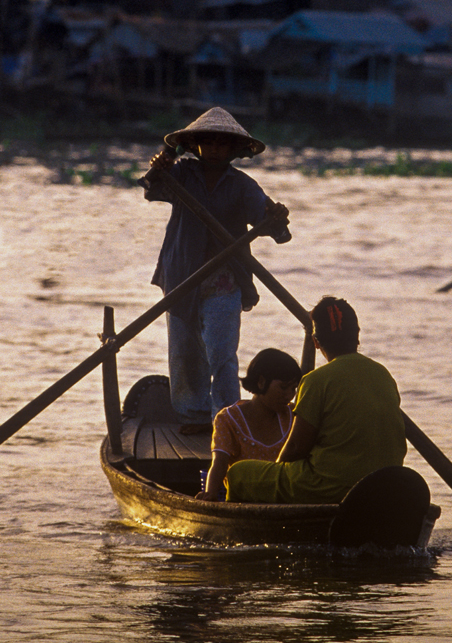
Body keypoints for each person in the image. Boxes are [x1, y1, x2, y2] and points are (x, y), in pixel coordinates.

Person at [144, 107, 291, 435]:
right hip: (182, 275)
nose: (214, 149)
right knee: (185, 350)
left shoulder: (242, 185)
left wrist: (276, 218)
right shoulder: (182, 173)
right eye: (208, 142)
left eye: (221, 144)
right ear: (195, 146)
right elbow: (152, 189)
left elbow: (272, 226)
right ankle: (194, 416)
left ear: (233, 149)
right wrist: (160, 166)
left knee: (222, 353)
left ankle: (226, 420)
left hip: (224, 279)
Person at [225, 296, 407, 505]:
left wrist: (277, 470)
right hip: (384, 483)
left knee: (238, 473)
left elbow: (296, 448)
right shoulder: (383, 374)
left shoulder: (316, 381)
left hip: (330, 487)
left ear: (316, 342)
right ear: (357, 336)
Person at [195, 348, 303, 502]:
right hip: (243, 499)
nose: (289, 395)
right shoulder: (228, 419)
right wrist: (210, 493)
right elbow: (219, 462)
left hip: (283, 498)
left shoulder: (293, 415)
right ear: (261, 382)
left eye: (293, 389)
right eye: (283, 387)